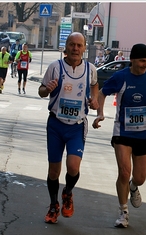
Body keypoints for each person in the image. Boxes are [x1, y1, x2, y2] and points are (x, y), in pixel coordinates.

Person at [92, 43, 146, 228]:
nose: (145, 64)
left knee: (139, 177)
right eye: (142, 61)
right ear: (132, 60)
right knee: (124, 172)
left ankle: (134, 187)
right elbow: (102, 93)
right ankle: (123, 212)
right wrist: (100, 113)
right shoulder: (121, 77)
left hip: (144, 133)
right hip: (123, 131)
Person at [38, 32, 99, 224]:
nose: (75, 48)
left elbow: (95, 85)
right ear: (66, 47)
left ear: (84, 48)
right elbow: (41, 91)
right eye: (72, 44)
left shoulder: (90, 69)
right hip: (56, 124)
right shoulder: (55, 67)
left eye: (79, 45)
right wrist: (47, 89)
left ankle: (68, 193)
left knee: (73, 167)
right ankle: (54, 204)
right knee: (54, 171)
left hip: (76, 126)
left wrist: (94, 99)